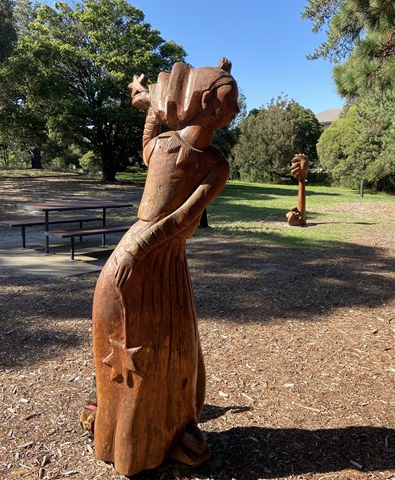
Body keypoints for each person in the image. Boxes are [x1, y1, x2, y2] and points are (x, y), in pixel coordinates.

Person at [90, 58, 239, 476]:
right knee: (118, 329)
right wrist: (151, 103)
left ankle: (171, 428)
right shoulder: (166, 144)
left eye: (233, 105)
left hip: (163, 256)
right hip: (135, 248)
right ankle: (115, 425)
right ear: (202, 102)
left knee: (170, 342)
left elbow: (185, 218)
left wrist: (142, 246)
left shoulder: (216, 165)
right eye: (224, 102)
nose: (230, 113)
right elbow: (148, 138)